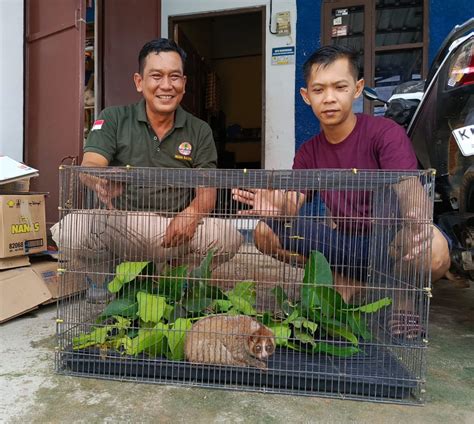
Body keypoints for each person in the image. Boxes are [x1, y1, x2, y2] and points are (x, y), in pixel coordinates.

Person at [232, 45, 451, 337]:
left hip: (389, 244)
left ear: (357, 89)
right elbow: (292, 202)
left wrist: (417, 217)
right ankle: (347, 277)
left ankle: (402, 300)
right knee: (264, 233)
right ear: (306, 96)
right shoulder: (309, 152)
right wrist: (277, 205)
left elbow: (409, 187)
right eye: (319, 90)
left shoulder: (384, 133)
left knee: (435, 249)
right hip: (343, 244)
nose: (330, 98)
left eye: (340, 87)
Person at [52, 38, 243, 299]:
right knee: (72, 227)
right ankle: (108, 281)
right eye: (156, 76)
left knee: (227, 236)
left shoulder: (199, 130)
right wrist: (100, 181)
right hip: (125, 226)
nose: (166, 85)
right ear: (139, 82)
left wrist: (192, 213)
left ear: (184, 84)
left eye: (174, 77)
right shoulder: (113, 118)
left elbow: (207, 192)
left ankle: (174, 282)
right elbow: (90, 165)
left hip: (173, 229)